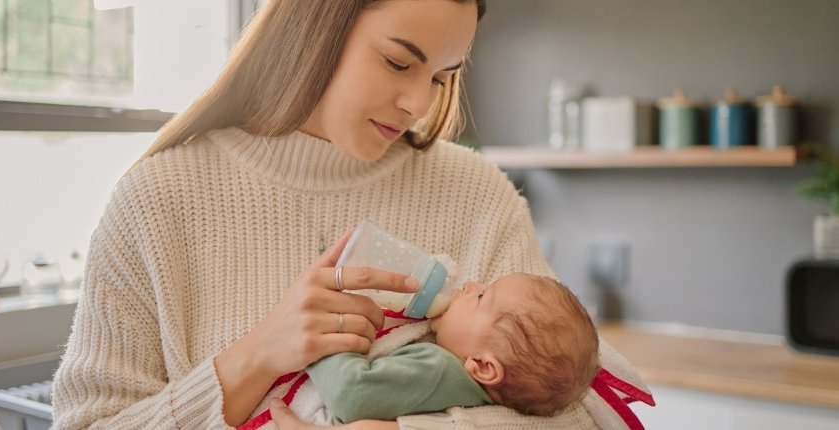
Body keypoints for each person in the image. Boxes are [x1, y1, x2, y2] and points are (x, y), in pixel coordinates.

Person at [51, 1, 646, 429]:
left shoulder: (478, 195)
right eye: (397, 63)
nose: (419, 104)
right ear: (317, 24)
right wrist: (255, 357)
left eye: (442, 77)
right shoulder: (158, 199)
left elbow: (583, 411)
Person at [254, 273, 599, 425]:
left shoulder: (436, 370)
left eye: (481, 297)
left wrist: (326, 332)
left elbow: (351, 393)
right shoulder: (460, 384)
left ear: (482, 365)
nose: (469, 285)